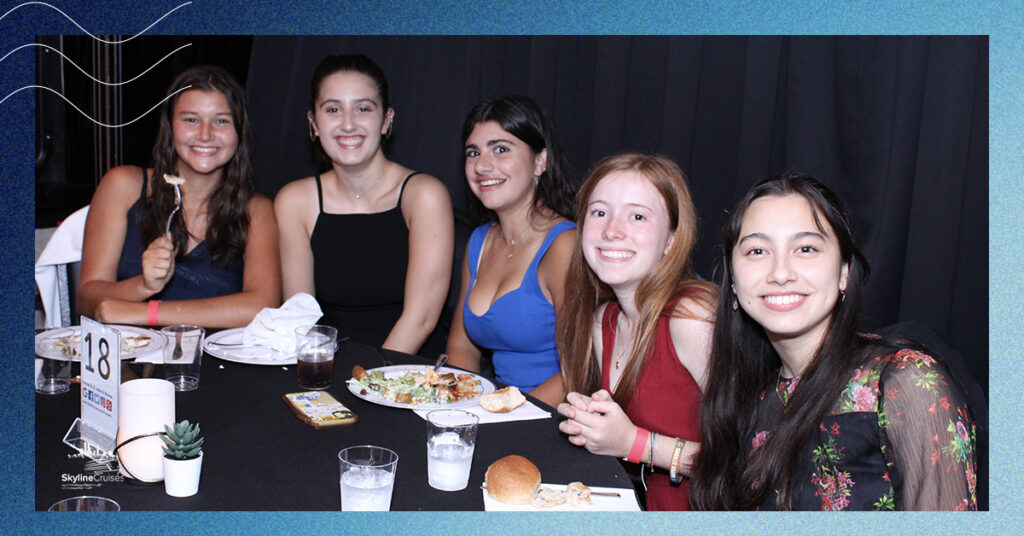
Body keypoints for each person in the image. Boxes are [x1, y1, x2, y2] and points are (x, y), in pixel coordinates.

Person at [689, 173, 978, 511]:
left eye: (806, 248)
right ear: (734, 282)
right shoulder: (749, 395)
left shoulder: (905, 383)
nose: (780, 273)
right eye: (757, 251)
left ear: (843, 272)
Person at [555, 153, 717, 511]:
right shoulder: (604, 322)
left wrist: (634, 443)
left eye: (638, 216)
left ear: (672, 240)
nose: (612, 230)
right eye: (599, 212)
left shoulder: (693, 316)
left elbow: (755, 462)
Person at [274, 54, 454, 356]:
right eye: (333, 109)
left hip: (407, 372)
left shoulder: (424, 194)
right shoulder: (294, 201)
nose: (348, 124)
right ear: (313, 123)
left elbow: (420, 319)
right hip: (329, 368)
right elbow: (301, 318)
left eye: (363, 108)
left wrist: (364, 382)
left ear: (386, 120)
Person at [78, 65, 280, 328]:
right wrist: (143, 285)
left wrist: (147, 312)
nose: (205, 134)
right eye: (191, 120)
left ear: (239, 132)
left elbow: (263, 306)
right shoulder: (123, 185)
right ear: (170, 126)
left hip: (212, 364)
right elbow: (86, 300)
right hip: (131, 362)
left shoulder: (256, 209)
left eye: (221, 120)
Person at [445, 95, 577, 408]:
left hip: (552, 420)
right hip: (491, 410)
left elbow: (580, 370)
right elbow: (461, 347)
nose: (482, 165)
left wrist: (501, 414)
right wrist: (456, 407)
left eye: (501, 149)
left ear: (540, 161)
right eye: (473, 153)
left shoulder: (564, 246)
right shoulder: (479, 242)